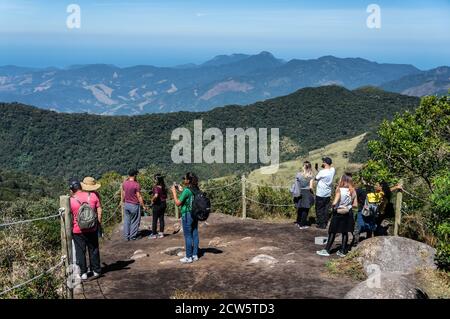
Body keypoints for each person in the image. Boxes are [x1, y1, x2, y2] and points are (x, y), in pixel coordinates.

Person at [317, 174, 357, 257]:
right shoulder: (353, 190)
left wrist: (332, 207)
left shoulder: (339, 190)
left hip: (338, 212)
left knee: (332, 231)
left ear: (343, 180)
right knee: (344, 232)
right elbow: (355, 204)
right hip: (348, 212)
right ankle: (342, 251)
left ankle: (327, 250)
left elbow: (335, 202)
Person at [69, 179, 102, 280]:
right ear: (81, 187)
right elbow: (99, 209)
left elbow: (69, 216)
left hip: (78, 230)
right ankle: (96, 271)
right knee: (93, 249)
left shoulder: (70, 200)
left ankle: (83, 273)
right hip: (92, 228)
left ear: (71, 190)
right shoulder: (93, 196)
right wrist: (98, 223)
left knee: (80, 251)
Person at [171, 172, 200, 264]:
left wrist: (174, 193)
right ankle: (195, 255)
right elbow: (189, 197)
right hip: (195, 214)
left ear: (188, 180)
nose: (184, 180)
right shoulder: (196, 189)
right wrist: (181, 190)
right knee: (195, 233)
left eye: (185, 179)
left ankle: (188, 257)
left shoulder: (187, 191)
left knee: (188, 236)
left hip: (187, 215)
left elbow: (178, 203)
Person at [121, 169, 148, 241]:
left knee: (127, 221)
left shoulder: (124, 183)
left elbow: (123, 194)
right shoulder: (136, 184)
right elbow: (139, 196)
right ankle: (132, 236)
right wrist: (143, 206)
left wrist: (123, 201)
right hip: (134, 205)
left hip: (126, 204)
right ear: (135, 175)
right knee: (135, 221)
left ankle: (126, 237)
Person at [314, 157, 336, 229]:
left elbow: (316, 178)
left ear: (325, 163)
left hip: (320, 193)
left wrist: (319, 169)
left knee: (319, 209)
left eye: (323, 162)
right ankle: (325, 222)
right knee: (326, 209)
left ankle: (321, 224)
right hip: (328, 193)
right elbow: (330, 168)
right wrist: (322, 168)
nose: (322, 163)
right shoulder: (332, 170)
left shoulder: (322, 172)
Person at [293, 161, 315, 229]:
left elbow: (296, 184)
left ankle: (298, 222)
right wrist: (313, 193)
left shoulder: (298, 175)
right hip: (307, 193)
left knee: (300, 208)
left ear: (303, 167)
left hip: (299, 192)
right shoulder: (310, 176)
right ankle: (302, 225)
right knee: (305, 209)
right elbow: (311, 187)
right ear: (310, 167)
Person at [149, 174, 167, 239]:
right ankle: (161, 233)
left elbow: (156, 195)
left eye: (154, 179)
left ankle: (154, 234)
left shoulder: (156, 187)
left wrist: (152, 200)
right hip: (163, 204)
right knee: (161, 218)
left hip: (157, 204)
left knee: (155, 219)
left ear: (156, 180)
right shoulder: (163, 187)